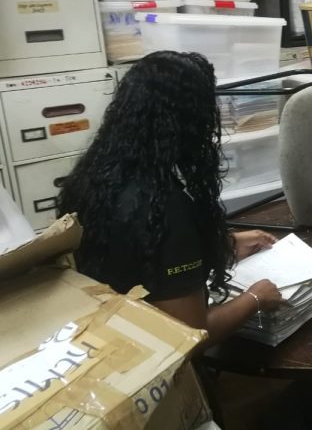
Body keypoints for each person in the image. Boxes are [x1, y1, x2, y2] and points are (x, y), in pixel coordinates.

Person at [57, 51, 283, 347]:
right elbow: (191, 334)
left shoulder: (92, 178)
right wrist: (255, 298)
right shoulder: (165, 208)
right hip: (149, 356)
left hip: (100, 340)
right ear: (190, 123)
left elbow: (137, 261)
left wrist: (220, 247)